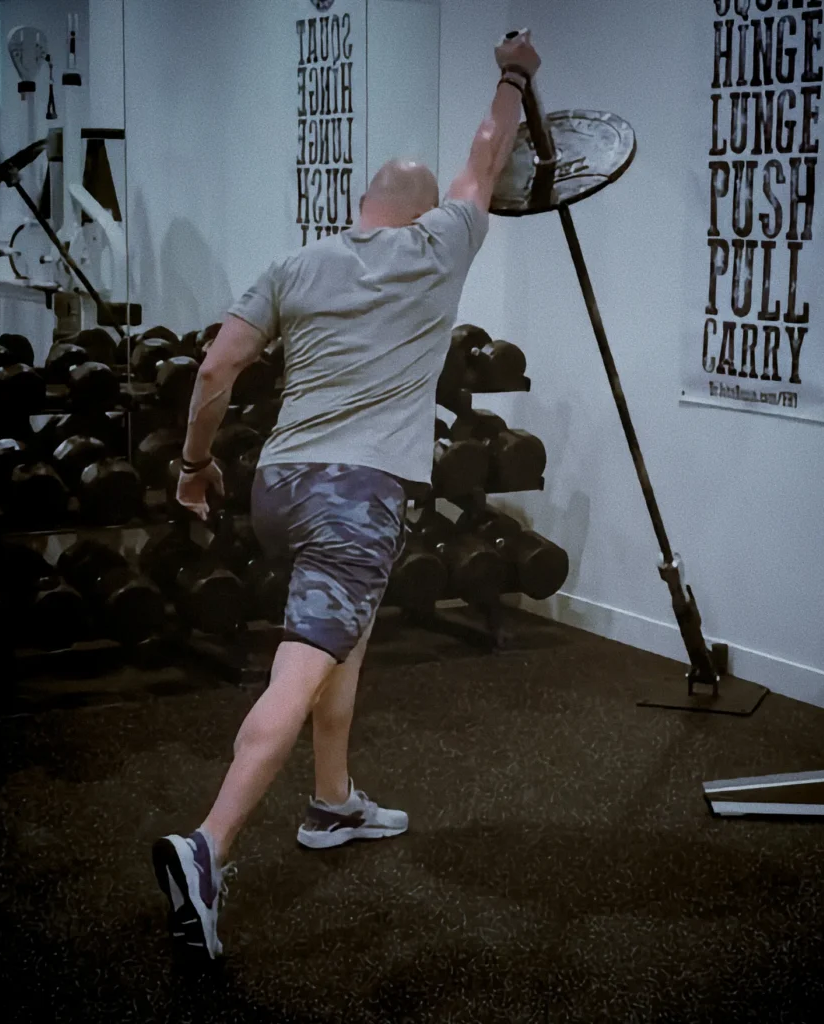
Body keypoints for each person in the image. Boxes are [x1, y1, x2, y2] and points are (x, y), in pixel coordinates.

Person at [151, 31, 542, 961]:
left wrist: (194, 470)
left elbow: (216, 370)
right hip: (358, 495)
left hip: (279, 487)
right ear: (420, 210)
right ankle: (208, 850)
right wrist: (515, 73)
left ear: (361, 206)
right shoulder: (442, 242)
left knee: (344, 637)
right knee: (302, 664)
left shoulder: (295, 263)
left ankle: (332, 804)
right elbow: (487, 151)